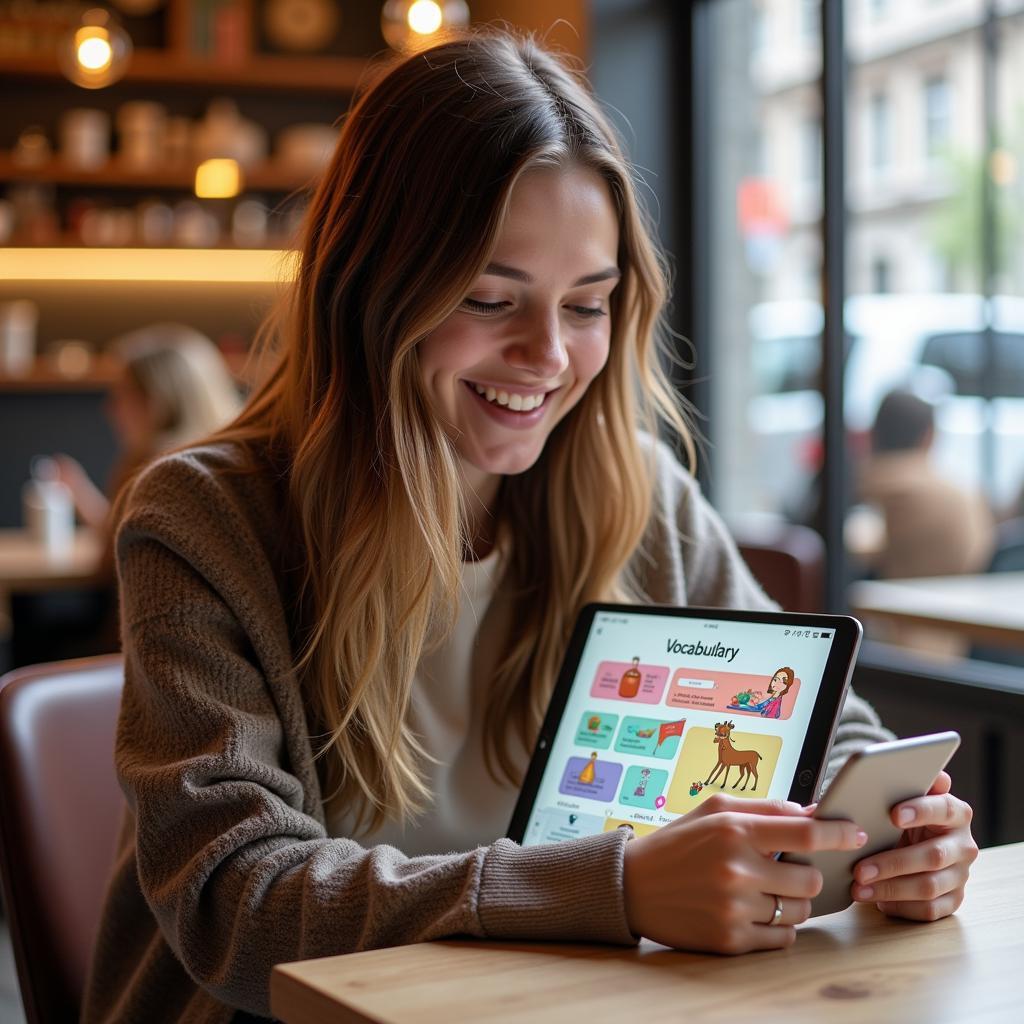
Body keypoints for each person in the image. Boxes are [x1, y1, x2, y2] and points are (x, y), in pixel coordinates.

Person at [82, 33, 978, 1024]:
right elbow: (235, 899)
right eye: (488, 298)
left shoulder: (635, 490)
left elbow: (824, 725)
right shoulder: (202, 519)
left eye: (587, 304)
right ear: (370, 288)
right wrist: (618, 886)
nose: (547, 355)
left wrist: (903, 826)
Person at [857, 388, 994, 656]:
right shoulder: (961, 492)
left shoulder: (873, 484)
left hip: (903, 644)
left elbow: (857, 549)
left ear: (873, 434)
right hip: (962, 637)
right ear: (929, 436)